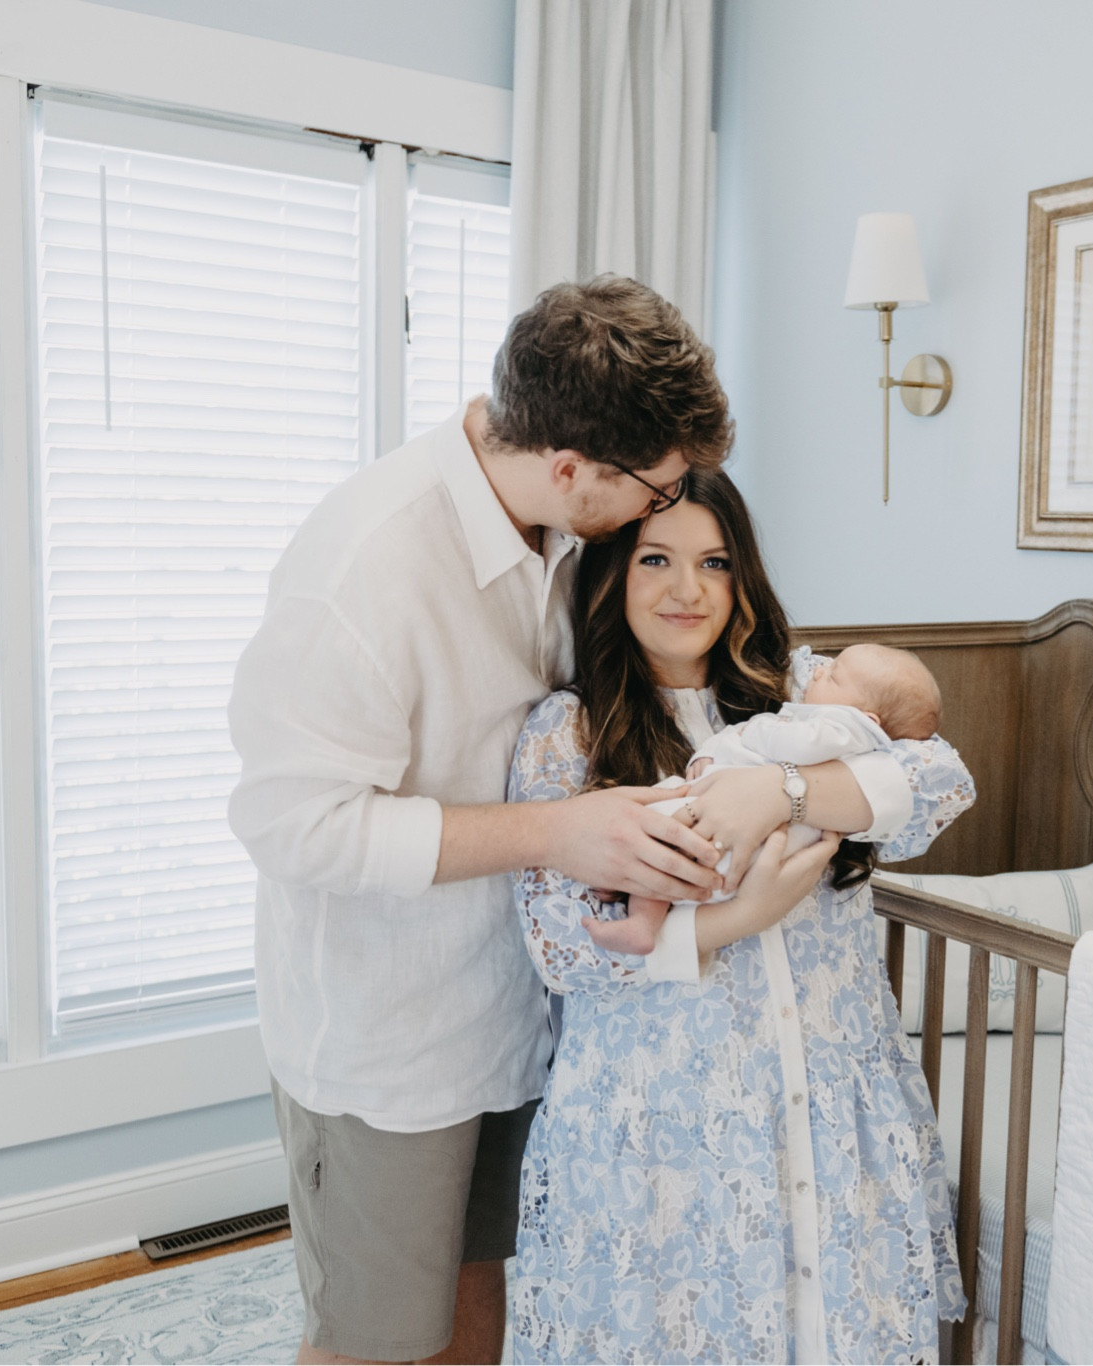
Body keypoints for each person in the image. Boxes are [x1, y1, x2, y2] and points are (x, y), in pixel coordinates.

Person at [227, 278, 750, 1365]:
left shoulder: (564, 524)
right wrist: (555, 834)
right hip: (388, 1042)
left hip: (517, 1021)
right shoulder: (364, 568)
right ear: (569, 466)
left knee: (476, 1315)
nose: (664, 509)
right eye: (655, 490)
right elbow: (293, 826)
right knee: (375, 1342)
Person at [505, 468, 973, 1363]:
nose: (688, 590)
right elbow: (563, 949)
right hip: (665, 1114)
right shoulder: (569, 733)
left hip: (829, 1086)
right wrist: (741, 915)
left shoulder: (802, 691)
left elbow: (942, 783)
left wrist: (782, 793)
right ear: (610, 575)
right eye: (656, 560)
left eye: (714, 562)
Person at [582, 643, 944, 955]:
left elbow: (792, 744)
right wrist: (711, 754)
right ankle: (640, 916)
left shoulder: (844, 730)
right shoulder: (819, 717)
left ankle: (639, 914)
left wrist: (766, 749)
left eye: (834, 676)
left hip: (748, 840)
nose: (819, 670)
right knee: (660, 834)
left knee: (661, 833)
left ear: (867, 718)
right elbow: (743, 739)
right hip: (736, 831)